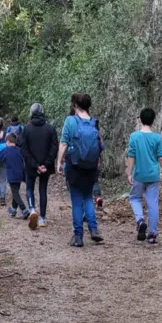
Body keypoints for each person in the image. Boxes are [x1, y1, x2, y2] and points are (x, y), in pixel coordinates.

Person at [57, 93, 103, 247]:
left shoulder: (71, 121)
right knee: (88, 197)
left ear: (75, 105)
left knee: (77, 201)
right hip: (91, 166)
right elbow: (99, 144)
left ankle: (78, 237)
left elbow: (63, 143)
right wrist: (99, 162)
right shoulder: (94, 122)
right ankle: (94, 230)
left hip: (75, 165)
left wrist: (59, 162)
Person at [126, 107, 162, 245]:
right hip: (153, 175)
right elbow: (161, 158)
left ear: (140, 119)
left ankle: (140, 220)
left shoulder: (134, 136)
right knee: (152, 203)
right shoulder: (157, 138)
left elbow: (131, 156)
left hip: (139, 175)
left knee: (134, 197)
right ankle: (153, 234)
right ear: (153, 121)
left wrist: (129, 173)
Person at [20, 102, 58, 229]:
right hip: (46, 166)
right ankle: (42, 218)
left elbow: (24, 149)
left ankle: (32, 209)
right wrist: (45, 164)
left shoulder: (27, 129)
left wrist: (35, 165)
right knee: (43, 190)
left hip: (31, 166)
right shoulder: (50, 129)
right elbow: (54, 148)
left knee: (29, 188)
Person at [0, 132, 30, 219]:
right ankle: (13, 210)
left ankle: (24, 210)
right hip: (20, 174)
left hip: (11, 174)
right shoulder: (19, 150)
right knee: (16, 192)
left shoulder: (6, 150)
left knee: (15, 193)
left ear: (8, 141)